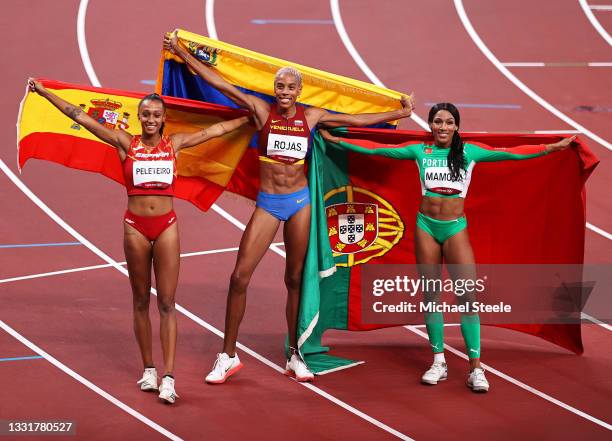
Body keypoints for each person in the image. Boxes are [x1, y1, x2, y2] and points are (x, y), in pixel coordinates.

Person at [164, 32, 414, 383]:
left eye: (289, 87)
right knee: (239, 277)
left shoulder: (312, 118)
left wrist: (399, 112)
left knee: (294, 278)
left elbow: (357, 121)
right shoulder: (260, 109)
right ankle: (227, 355)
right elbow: (218, 82)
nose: (283, 92)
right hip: (269, 203)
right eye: (279, 86)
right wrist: (181, 53)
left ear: (298, 92)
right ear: (275, 88)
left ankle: (295, 354)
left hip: (300, 204)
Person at [320, 102, 575, 392]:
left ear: (456, 126)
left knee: (467, 298)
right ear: (430, 125)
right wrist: (337, 141)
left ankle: (475, 368)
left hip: (455, 229)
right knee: (431, 296)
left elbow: (510, 155)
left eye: (448, 122)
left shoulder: (470, 152)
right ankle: (438, 361)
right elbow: (376, 149)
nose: (443, 127)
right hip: (426, 227)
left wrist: (549, 149)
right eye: (438, 122)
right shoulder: (420, 151)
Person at [28, 78, 250, 402]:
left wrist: (247, 119)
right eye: (145, 114)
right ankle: (149, 370)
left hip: (167, 226)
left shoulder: (174, 144)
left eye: (155, 115)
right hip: (135, 227)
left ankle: (170, 377)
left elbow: (214, 132)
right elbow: (79, 116)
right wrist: (46, 93)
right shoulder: (124, 143)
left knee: (167, 303)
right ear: (139, 117)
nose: (150, 120)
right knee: (141, 301)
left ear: (163, 119)